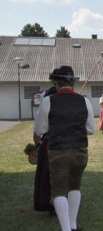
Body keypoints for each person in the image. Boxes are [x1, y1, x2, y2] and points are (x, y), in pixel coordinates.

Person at [34, 66, 95, 231]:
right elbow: (91, 129)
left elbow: (40, 130)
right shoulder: (85, 101)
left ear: (56, 83)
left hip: (59, 152)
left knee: (58, 192)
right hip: (81, 151)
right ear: (72, 82)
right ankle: (73, 225)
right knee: (75, 187)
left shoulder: (49, 101)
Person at [33, 71, 58, 216]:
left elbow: (38, 128)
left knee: (49, 176)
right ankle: (56, 204)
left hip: (49, 141)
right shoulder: (48, 97)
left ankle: (51, 204)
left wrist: (37, 144)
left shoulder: (46, 98)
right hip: (60, 141)